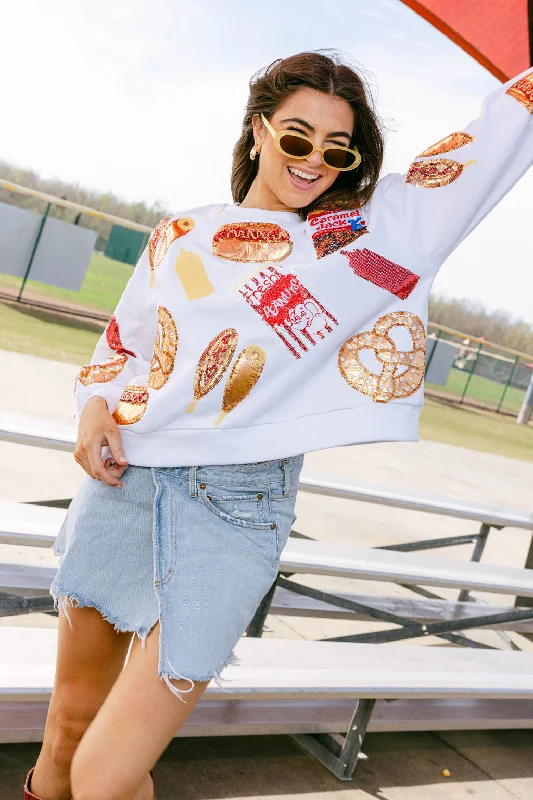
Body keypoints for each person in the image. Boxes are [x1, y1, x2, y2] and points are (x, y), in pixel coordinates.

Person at [25, 50, 532, 799]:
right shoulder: (181, 234)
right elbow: (123, 345)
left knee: (105, 776)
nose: (313, 161)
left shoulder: (363, 239)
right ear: (258, 130)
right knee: (67, 729)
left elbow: (484, 150)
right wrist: (94, 407)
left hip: (235, 515)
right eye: (296, 137)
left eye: (337, 148)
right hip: (124, 484)